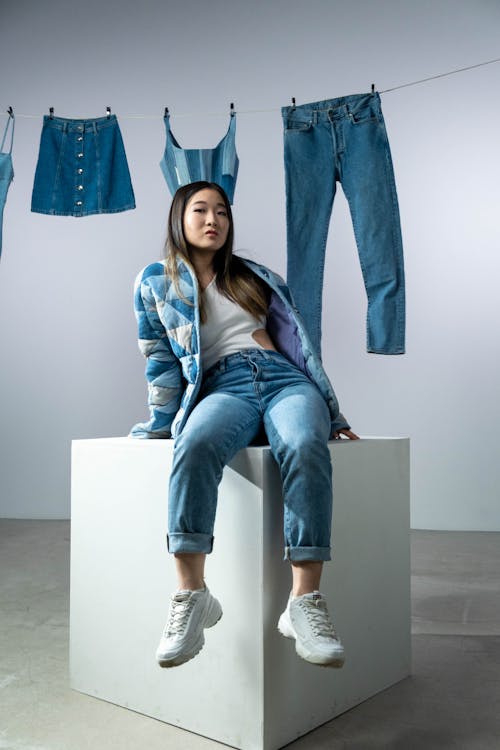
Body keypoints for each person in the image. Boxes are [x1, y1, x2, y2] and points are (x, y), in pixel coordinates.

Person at [131, 180, 359, 670]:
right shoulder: (155, 282)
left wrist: (331, 413)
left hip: (284, 380)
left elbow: (301, 347)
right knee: (192, 444)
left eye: (222, 212)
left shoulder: (256, 275)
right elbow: (160, 360)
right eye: (200, 210)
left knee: (303, 443)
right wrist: (160, 421)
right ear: (179, 217)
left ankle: (304, 602)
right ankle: (192, 597)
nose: (213, 220)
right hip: (223, 385)